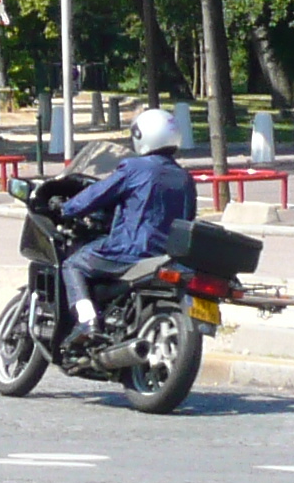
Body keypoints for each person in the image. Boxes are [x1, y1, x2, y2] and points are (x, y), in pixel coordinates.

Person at [56, 107, 196, 351]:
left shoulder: (135, 168)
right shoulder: (184, 177)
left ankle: (87, 322)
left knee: (73, 264)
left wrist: (66, 208)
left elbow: (96, 194)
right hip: (167, 256)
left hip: (131, 250)